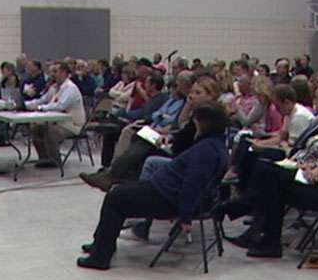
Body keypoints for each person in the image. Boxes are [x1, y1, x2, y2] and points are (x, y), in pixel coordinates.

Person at [76, 102, 230, 270]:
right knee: (120, 191)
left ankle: (101, 256)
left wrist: (185, 216)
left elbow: (192, 184)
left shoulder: (206, 150)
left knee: (115, 197)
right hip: (165, 188)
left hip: (168, 196)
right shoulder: (215, 145)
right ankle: (102, 243)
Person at [225, 88, 318, 258]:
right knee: (270, 175)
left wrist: (317, 175)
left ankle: (254, 222)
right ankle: (263, 235)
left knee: (272, 181)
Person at [79, 77, 222, 191]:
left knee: (145, 142)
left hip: (183, 152)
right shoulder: (195, 110)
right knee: (141, 136)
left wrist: (168, 138)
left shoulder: (210, 115)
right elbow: (180, 124)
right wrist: (188, 106)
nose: (191, 96)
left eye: (198, 93)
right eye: (192, 92)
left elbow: (189, 136)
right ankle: (116, 175)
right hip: (174, 142)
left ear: (211, 95)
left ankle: (115, 175)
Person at [28, 61, 86, 166]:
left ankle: (55, 160)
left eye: (55, 71)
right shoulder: (54, 87)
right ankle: (44, 159)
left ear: (64, 73)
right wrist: (25, 105)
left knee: (50, 131)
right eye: (51, 72)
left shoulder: (70, 88)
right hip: (58, 122)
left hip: (72, 125)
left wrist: (41, 108)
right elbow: (41, 100)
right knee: (36, 127)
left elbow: (61, 106)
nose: (52, 74)